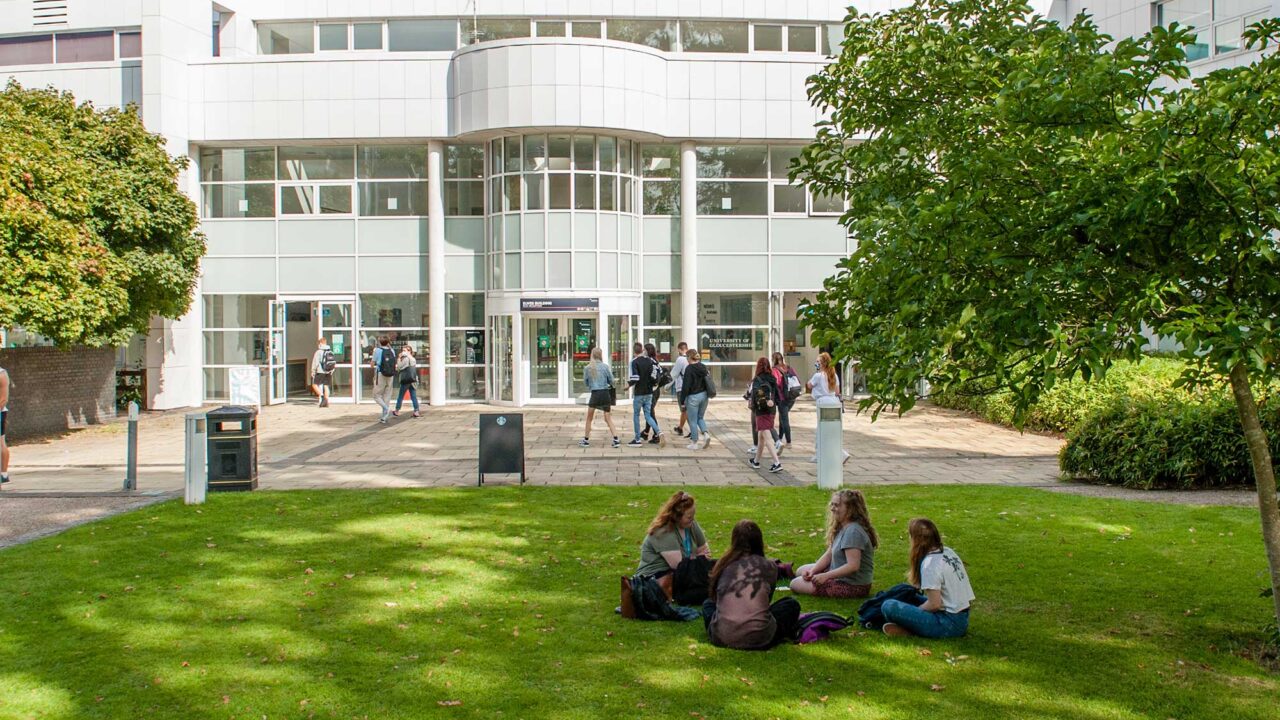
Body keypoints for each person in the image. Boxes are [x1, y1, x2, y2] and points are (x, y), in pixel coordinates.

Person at [702, 520, 801, 650]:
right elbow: (767, 600)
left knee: (708, 604)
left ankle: (727, 627)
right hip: (760, 637)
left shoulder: (723, 565)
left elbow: (716, 597)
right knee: (791, 605)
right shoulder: (769, 566)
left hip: (721, 637)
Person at [881, 518, 974, 639]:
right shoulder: (948, 551)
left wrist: (916, 612)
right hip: (960, 617)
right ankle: (910, 627)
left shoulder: (930, 564)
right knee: (908, 596)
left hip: (948, 623)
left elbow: (934, 604)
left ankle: (911, 629)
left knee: (888, 606)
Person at [790, 489, 878, 598]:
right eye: (832, 504)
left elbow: (853, 566)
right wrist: (813, 572)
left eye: (836, 505)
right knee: (801, 571)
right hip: (838, 573)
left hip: (853, 585)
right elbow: (829, 554)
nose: (832, 508)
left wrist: (826, 576)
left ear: (850, 509)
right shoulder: (842, 526)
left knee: (795, 584)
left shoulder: (853, 532)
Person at [637, 490, 710, 578]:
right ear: (677, 516)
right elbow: (679, 566)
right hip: (655, 578)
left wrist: (695, 559)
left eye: (693, 515)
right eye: (689, 517)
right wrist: (698, 558)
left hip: (683, 574)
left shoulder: (691, 524)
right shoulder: (663, 531)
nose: (693, 519)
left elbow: (705, 551)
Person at [806, 352, 850, 464]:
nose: (816, 363)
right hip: (834, 402)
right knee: (832, 429)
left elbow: (809, 385)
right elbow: (837, 391)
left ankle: (821, 454)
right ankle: (838, 453)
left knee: (821, 429)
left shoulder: (818, 375)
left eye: (818, 362)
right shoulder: (834, 375)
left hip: (823, 402)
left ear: (823, 364)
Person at [627, 342, 665, 448]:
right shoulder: (650, 361)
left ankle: (637, 439)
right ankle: (659, 432)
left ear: (634, 351)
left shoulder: (635, 362)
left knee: (636, 415)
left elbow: (635, 378)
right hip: (649, 392)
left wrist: (628, 385)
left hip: (639, 392)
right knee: (648, 415)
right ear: (642, 350)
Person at [748, 357, 783, 473]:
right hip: (771, 409)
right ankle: (756, 461)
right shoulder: (772, 378)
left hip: (761, 410)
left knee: (767, 437)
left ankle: (777, 462)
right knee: (761, 437)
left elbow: (755, 395)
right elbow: (777, 395)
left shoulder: (757, 380)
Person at [580, 347, 620, 448]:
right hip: (605, 393)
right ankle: (616, 438)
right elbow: (612, 380)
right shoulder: (605, 367)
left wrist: (591, 385)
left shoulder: (588, 368)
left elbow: (586, 382)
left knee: (589, 418)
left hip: (595, 394)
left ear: (592, 355)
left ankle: (586, 440)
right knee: (608, 418)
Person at [678, 349, 713, 450]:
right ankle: (706, 434)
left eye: (687, 357)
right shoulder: (703, 366)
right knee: (700, 418)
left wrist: (682, 401)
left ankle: (694, 442)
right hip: (704, 396)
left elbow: (686, 386)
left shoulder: (689, 369)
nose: (686, 359)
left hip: (693, 397)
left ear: (689, 357)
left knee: (692, 420)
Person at [772, 352, 799, 452]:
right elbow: (797, 379)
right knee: (782, 418)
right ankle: (779, 438)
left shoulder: (775, 370)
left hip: (782, 398)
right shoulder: (789, 368)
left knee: (784, 419)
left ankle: (788, 442)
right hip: (792, 396)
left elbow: (777, 383)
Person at [640, 343, 665, 444]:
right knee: (650, 412)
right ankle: (646, 432)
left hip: (650, 390)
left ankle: (657, 434)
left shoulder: (648, 361)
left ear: (647, 351)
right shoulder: (655, 361)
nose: (642, 352)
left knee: (649, 413)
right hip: (656, 389)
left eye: (644, 350)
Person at [370, 335, 396, 423]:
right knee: (387, 395)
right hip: (391, 375)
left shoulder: (377, 350)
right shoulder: (392, 351)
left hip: (380, 374)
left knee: (376, 395)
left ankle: (385, 408)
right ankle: (384, 417)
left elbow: (372, 364)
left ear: (379, 342)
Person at [393, 343, 420, 418]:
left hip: (406, 379)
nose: (402, 352)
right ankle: (416, 411)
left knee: (401, 396)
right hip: (412, 379)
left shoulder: (405, 359)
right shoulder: (413, 359)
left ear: (409, 351)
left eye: (404, 350)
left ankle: (397, 410)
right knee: (413, 396)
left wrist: (399, 359)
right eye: (402, 350)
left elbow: (399, 367)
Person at [670, 341, 690, 436]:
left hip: (681, 388)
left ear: (679, 349)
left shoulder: (680, 359)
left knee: (685, 410)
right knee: (686, 410)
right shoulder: (691, 358)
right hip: (691, 388)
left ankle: (692, 431)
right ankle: (680, 428)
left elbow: (673, 374)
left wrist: (667, 385)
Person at [310, 337, 334, 407]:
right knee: (326, 386)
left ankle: (322, 397)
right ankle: (326, 401)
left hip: (320, 371)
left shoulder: (318, 352)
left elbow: (315, 363)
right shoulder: (330, 351)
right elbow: (332, 362)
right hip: (328, 371)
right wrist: (331, 370)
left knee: (314, 385)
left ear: (320, 343)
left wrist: (313, 371)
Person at [0, 362, 10, 486]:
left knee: (1, 443)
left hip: (0, 412)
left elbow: (3, 399)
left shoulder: (1, 374)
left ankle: (3, 473)